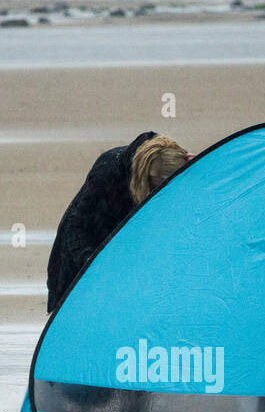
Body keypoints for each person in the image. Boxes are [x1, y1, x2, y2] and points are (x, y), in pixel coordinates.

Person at [45, 132, 190, 312]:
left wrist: (198, 168)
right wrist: (95, 263)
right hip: (80, 262)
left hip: (119, 257)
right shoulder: (108, 172)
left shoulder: (162, 162)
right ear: (148, 174)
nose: (164, 191)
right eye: (162, 184)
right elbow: (76, 228)